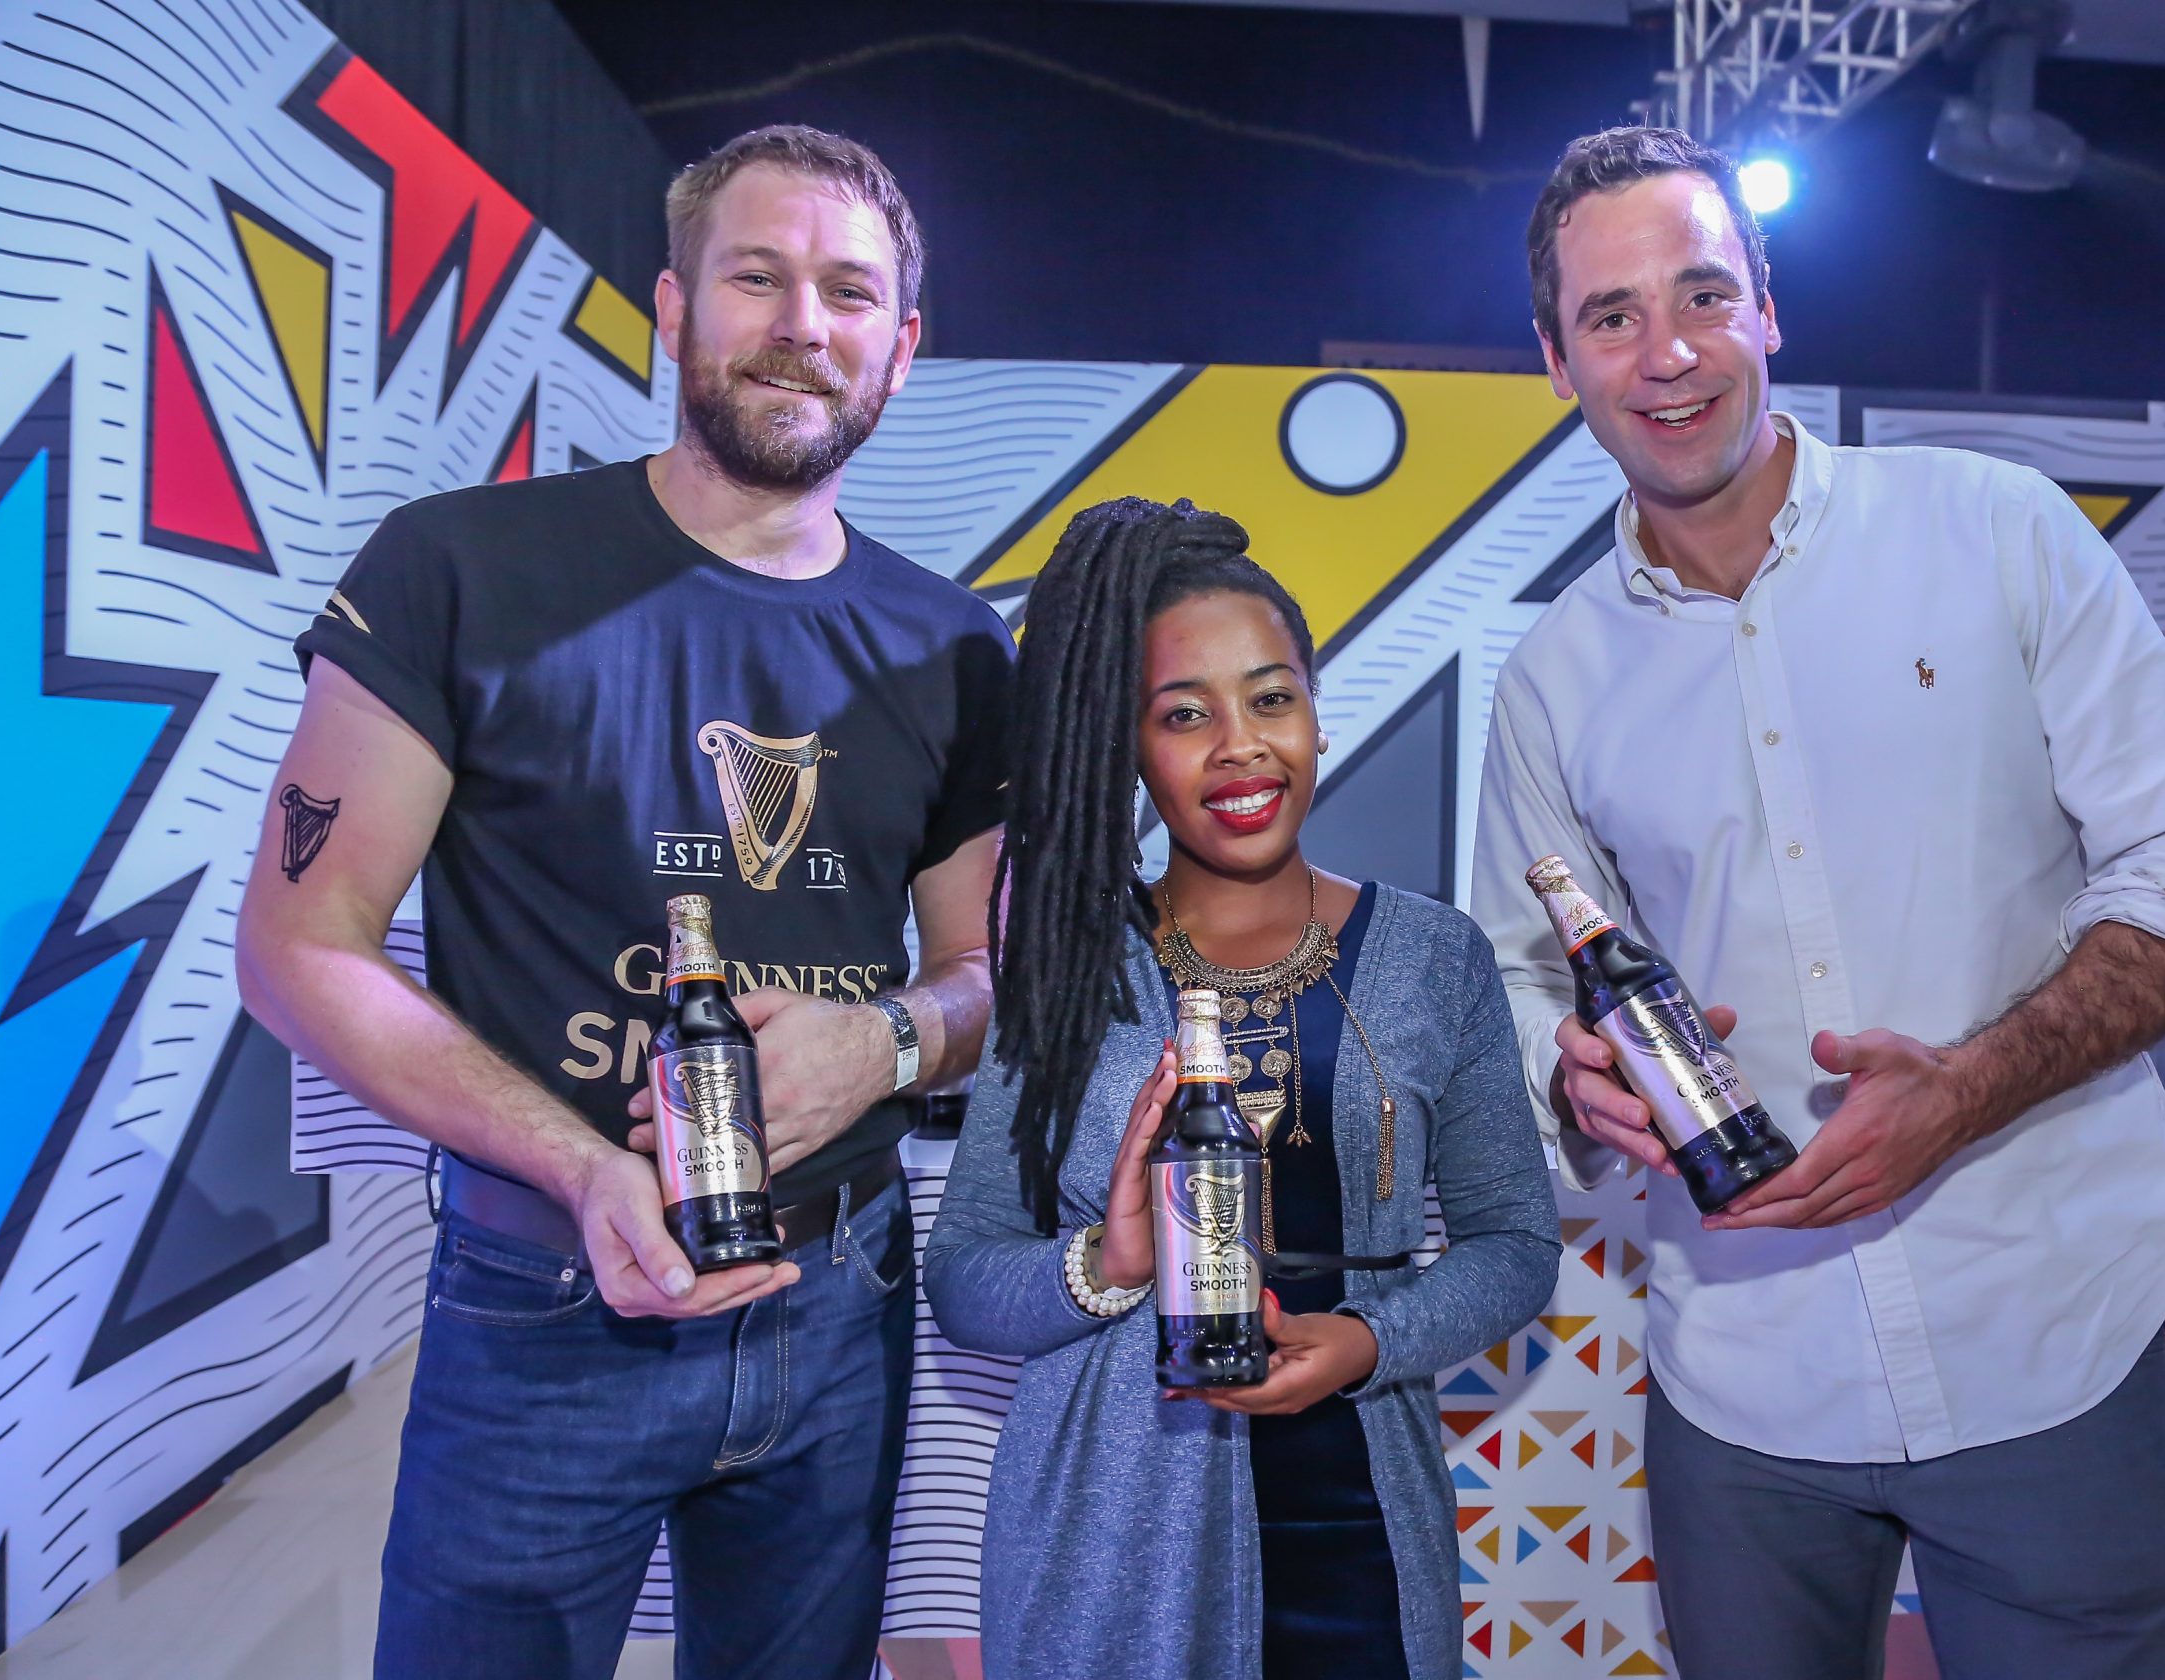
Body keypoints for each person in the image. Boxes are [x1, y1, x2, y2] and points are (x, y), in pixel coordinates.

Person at [1468, 126, 2165, 1680]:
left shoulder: (2001, 532)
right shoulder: (1552, 680)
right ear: (1556, 362)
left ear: (1770, 309)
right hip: (1743, 1384)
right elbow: (1516, 975)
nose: (1669, 351)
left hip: (2047, 1335)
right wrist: (1566, 1075)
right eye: (1613, 317)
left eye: (1704, 293)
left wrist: (1966, 1091)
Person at [235, 125, 1015, 1680]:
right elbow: (296, 948)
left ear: (901, 348)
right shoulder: (460, 570)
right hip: (542, 1302)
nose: (805, 322)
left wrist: (889, 1041)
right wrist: (586, 1173)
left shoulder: (954, 650)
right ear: (671, 309)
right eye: (758, 275)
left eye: (850, 292)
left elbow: (982, 972)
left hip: (840, 1299)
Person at [922, 497, 1559, 1680]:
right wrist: (1101, 1266)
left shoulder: (1435, 958)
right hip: (1112, 1534)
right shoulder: (1066, 965)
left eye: (1271, 697)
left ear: (1316, 708)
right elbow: (963, 1275)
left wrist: (1371, 1340)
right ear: (1125, 746)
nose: (1239, 747)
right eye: (1182, 715)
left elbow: (1514, 1245)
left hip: (1364, 1510)